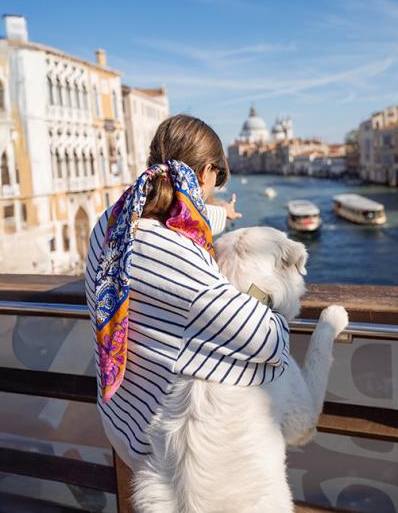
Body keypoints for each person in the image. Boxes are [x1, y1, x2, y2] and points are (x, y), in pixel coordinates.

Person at [85, 114, 289, 472]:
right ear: (207, 172)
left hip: (120, 416)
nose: (215, 188)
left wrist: (220, 212)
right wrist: (260, 298)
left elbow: (181, 216)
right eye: (217, 179)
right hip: (166, 455)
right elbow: (269, 342)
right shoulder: (177, 257)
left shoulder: (111, 221)